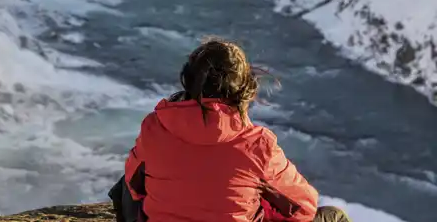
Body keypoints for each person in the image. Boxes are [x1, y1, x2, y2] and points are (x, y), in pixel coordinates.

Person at [111, 39, 351, 222]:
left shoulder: (155, 126)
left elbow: (134, 187)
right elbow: (303, 207)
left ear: (188, 80)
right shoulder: (259, 145)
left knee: (129, 179)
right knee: (333, 216)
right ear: (244, 89)